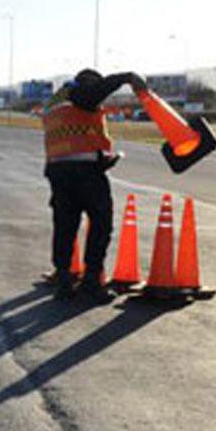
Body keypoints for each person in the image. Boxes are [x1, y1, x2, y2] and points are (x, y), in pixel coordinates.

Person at [42, 68, 146, 301]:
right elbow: (93, 93)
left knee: (65, 226)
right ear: (86, 85)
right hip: (84, 174)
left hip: (58, 171)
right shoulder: (79, 96)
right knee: (101, 223)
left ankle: (63, 279)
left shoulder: (55, 103)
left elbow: (72, 137)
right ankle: (91, 281)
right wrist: (126, 77)